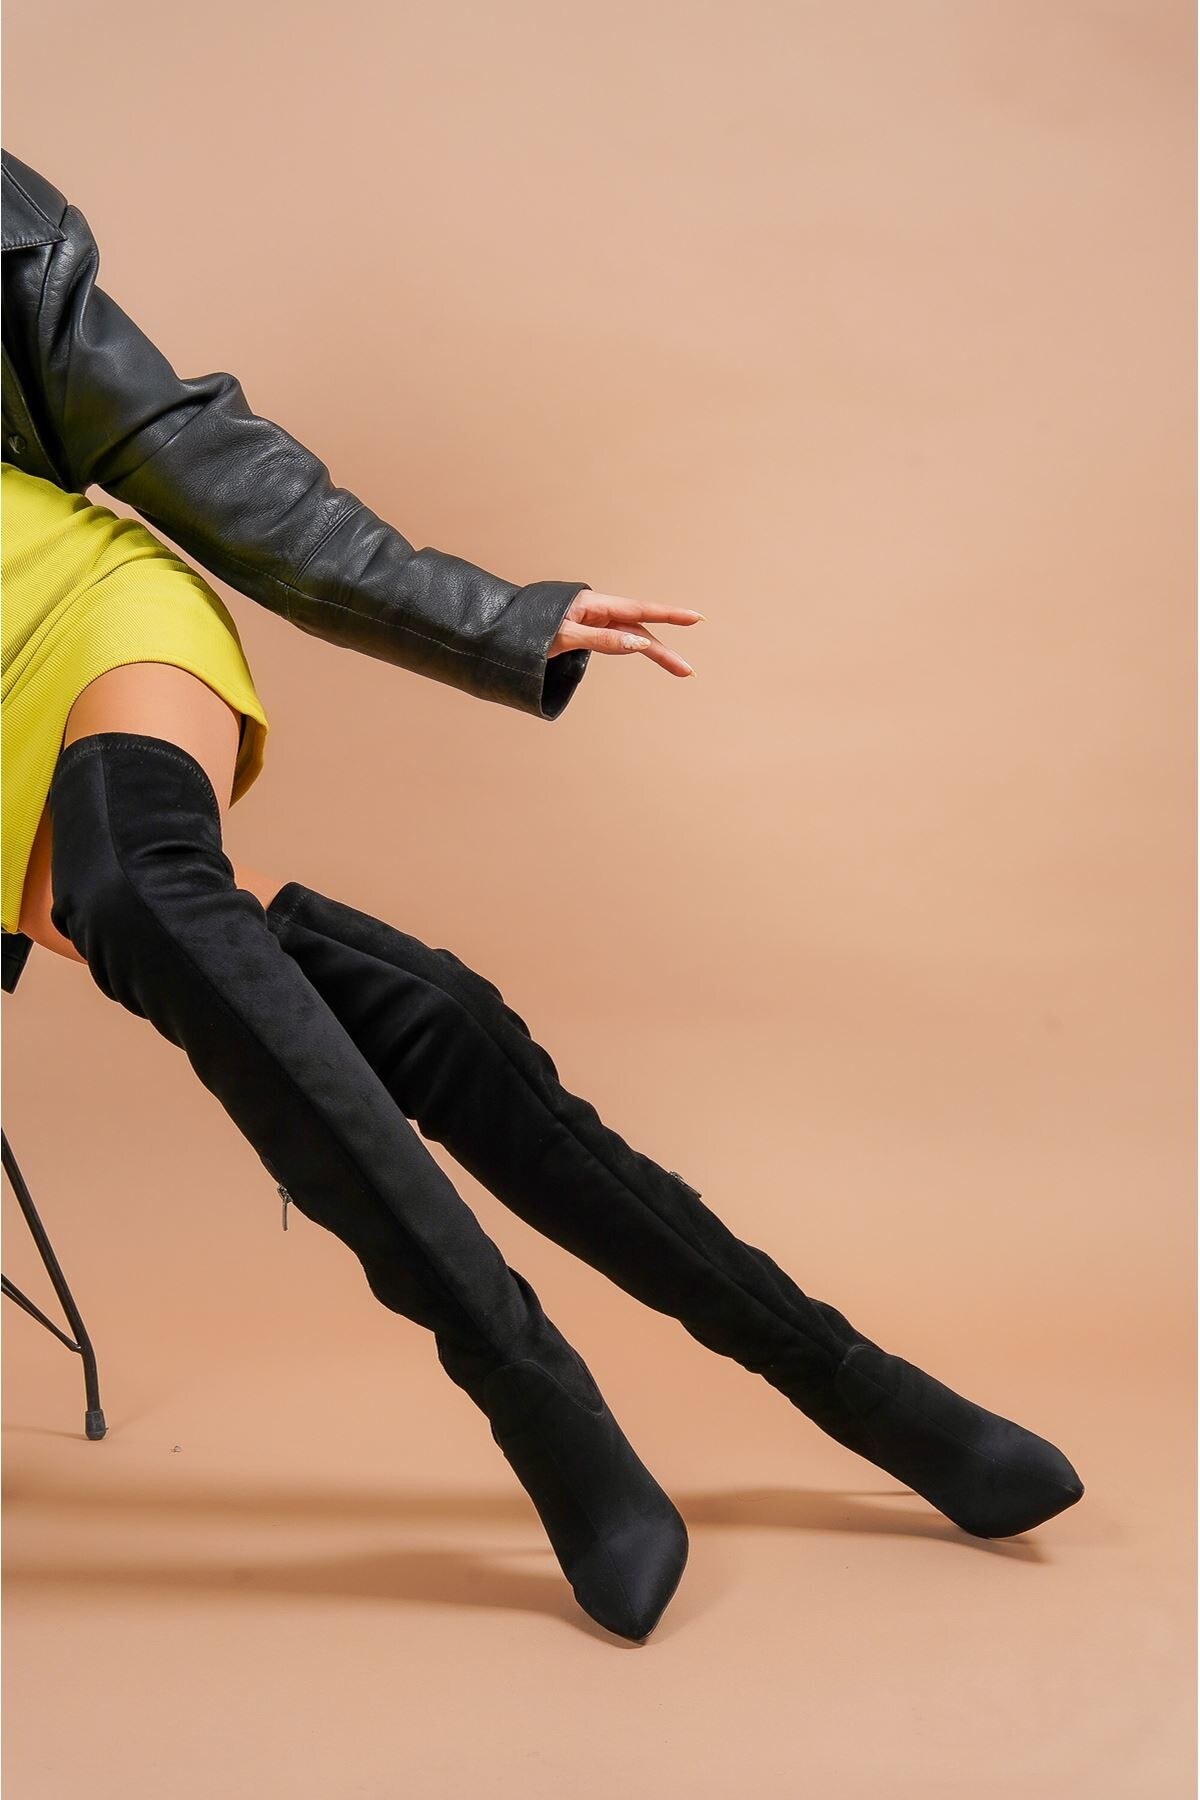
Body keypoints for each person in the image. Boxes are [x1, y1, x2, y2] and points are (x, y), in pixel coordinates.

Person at [0, 147, 1084, 1644]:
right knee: (247, 969)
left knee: (139, 888)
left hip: (71, 609)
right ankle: (850, 1379)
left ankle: (533, 1399)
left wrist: (496, 613)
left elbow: (179, 440)